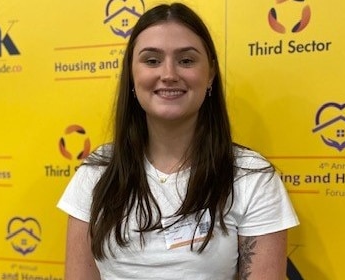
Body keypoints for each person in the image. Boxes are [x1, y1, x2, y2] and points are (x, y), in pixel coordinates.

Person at [57, 2, 299, 279]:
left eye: (186, 60)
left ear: (210, 74)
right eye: (152, 60)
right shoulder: (97, 172)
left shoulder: (250, 177)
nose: (169, 74)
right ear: (132, 76)